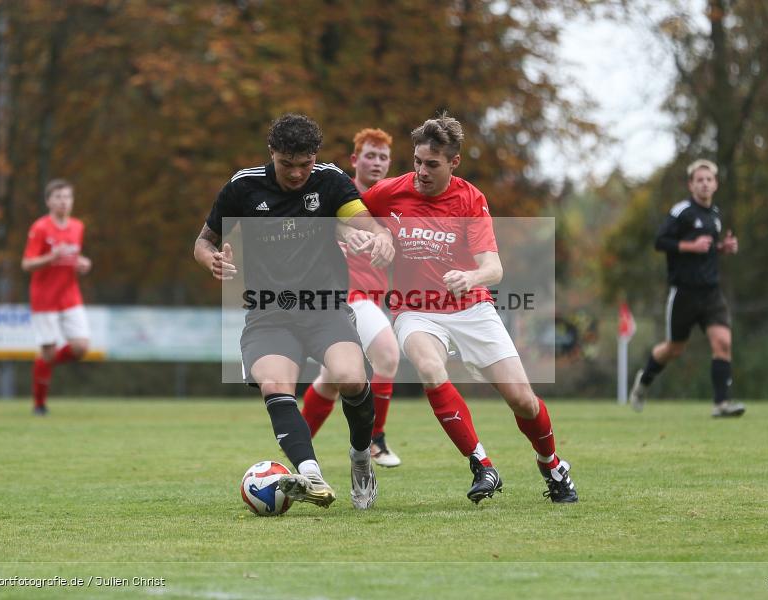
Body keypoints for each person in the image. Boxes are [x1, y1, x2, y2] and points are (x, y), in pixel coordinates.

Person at [361, 113, 578, 504]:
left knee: (523, 401)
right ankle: (482, 464)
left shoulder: (469, 199)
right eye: (416, 161)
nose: (421, 172)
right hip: (416, 310)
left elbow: (494, 267)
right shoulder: (389, 192)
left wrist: (471, 277)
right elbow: (351, 215)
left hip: (472, 308)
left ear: (453, 163)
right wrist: (377, 234)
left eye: (432, 164)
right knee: (429, 369)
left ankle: (552, 465)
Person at [194, 114, 395, 510]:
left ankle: (360, 458)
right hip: (269, 313)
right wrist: (211, 259)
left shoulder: (330, 180)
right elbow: (203, 241)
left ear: (314, 157)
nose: (298, 173)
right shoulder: (243, 186)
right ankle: (311, 474)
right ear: (273, 154)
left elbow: (366, 223)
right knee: (274, 385)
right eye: (288, 165)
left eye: (305, 164)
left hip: (325, 309)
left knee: (352, 378)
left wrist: (381, 238)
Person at [301, 127, 403, 467]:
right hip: (342, 295)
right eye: (369, 156)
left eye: (383, 157)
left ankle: (294, 448)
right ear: (354, 160)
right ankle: (375, 439)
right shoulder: (335, 195)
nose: (376, 163)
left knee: (333, 380)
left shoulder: (388, 201)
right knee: (387, 354)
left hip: (370, 298)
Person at [629, 159, 745, 418]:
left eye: (709, 180)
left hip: (711, 293)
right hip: (684, 293)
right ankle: (644, 381)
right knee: (674, 349)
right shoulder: (682, 211)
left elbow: (708, 249)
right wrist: (689, 246)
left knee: (723, 342)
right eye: (699, 180)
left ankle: (721, 404)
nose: (704, 184)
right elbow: (660, 241)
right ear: (691, 185)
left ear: (715, 184)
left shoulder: (714, 215)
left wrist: (722, 248)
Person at [21, 179, 92, 416]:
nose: (64, 202)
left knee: (81, 348)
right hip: (44, 298)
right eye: (58, 197)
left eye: (67, 197)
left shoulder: (77, 227)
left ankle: (43, 362)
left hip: (70, 295)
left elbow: (71, 258)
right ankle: (39, 405)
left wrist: (80, 263)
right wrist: (51, 257)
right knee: (49, 354)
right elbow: (27, 264)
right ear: (48, 201)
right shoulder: (40, 228)